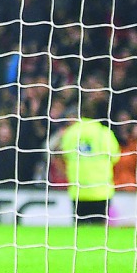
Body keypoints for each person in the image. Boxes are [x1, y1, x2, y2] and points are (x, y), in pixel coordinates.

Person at [54, 88, 121, 223]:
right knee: (100, 236)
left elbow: (60, 155)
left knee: (78, 236)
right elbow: (115, 158)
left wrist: (67, 173)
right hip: (101, 192)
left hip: (78, 191)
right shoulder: (104, 133)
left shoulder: (70, 133)